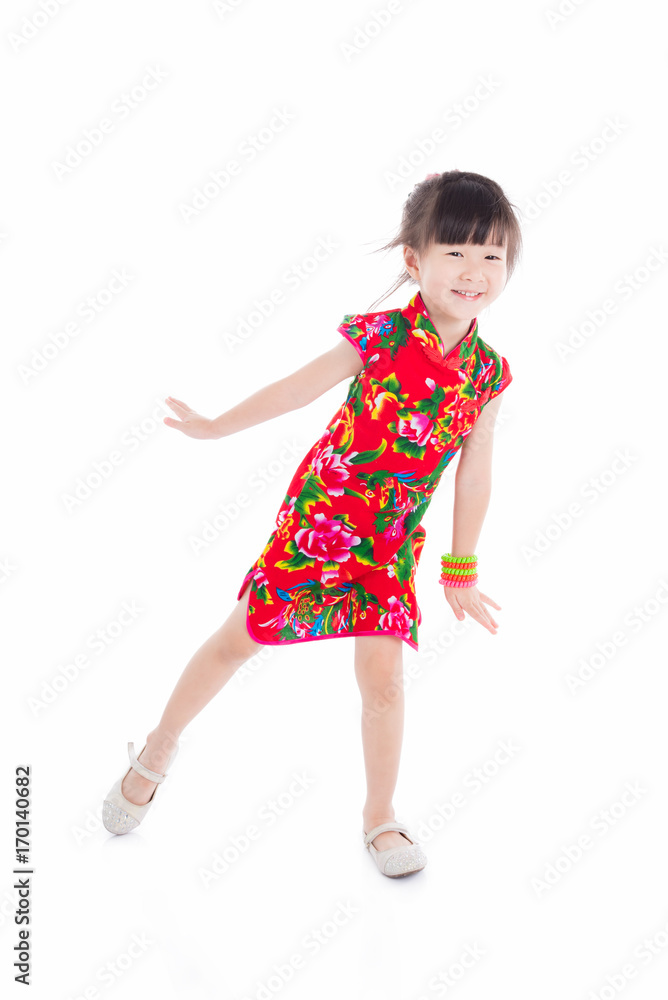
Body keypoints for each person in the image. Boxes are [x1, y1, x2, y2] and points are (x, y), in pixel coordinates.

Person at [102, 169, 523, 878]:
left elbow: (475, 472)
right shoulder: (381, 336)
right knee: (238, 641)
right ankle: (157, 748)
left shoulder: (488, 374)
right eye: (456, 252)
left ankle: (380, 816)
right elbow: (297, 390)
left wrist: (461, 565)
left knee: (384, 680)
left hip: (389, 547)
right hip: (320, 524)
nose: (474, 271)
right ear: (415, 261)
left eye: (492, 256)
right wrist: (214, 426)